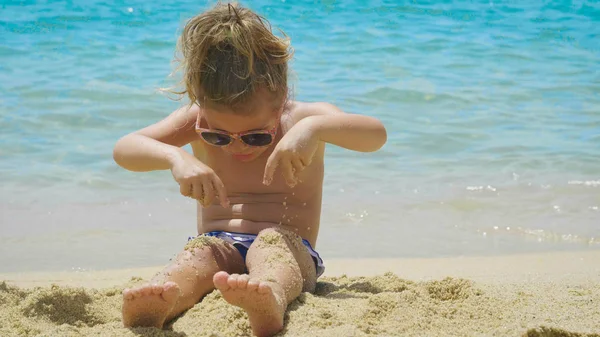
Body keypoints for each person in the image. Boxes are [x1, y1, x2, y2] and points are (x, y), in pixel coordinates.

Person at [112, 2, 387, 336]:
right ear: (201, 104)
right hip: (219, 240)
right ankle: (162, 299)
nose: (238, 146)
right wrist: (176, 158)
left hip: (291, 246)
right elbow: (125, 149)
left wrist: (313, 130)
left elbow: (375, 135)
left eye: (256, 136)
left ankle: (269, 295)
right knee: (198, 256)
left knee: (271, 245)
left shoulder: (302, 120)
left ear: (281, 97)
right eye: (218, 137)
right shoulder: (196, 120)